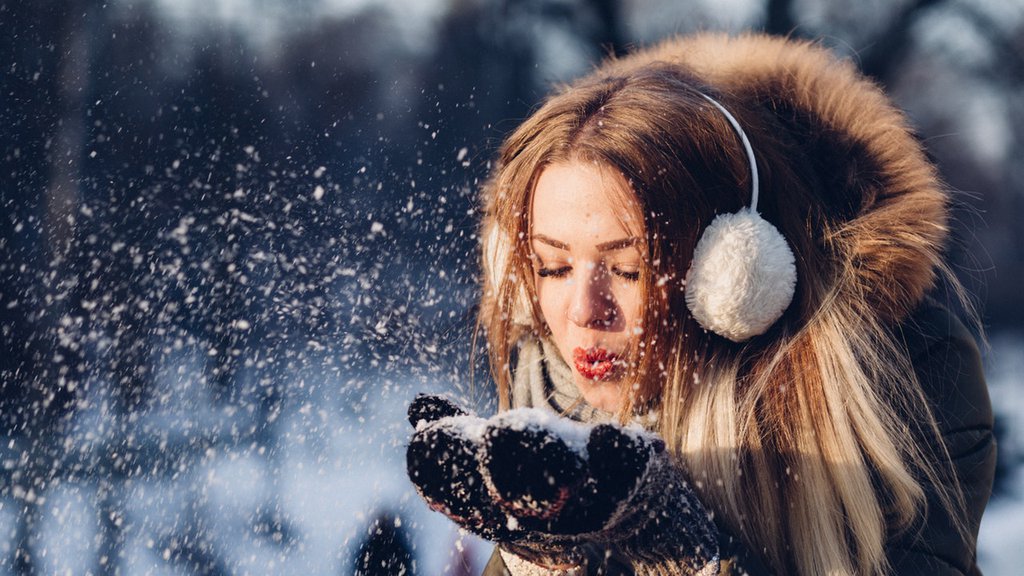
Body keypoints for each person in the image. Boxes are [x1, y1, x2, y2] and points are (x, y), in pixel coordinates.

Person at [405, 33, 996, 575]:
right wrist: (542, 560)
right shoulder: (548, 386)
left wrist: (684, 558)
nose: (585, 311)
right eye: (553, 267)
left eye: (627, 269)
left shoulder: (910, 373)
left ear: (732, 273)